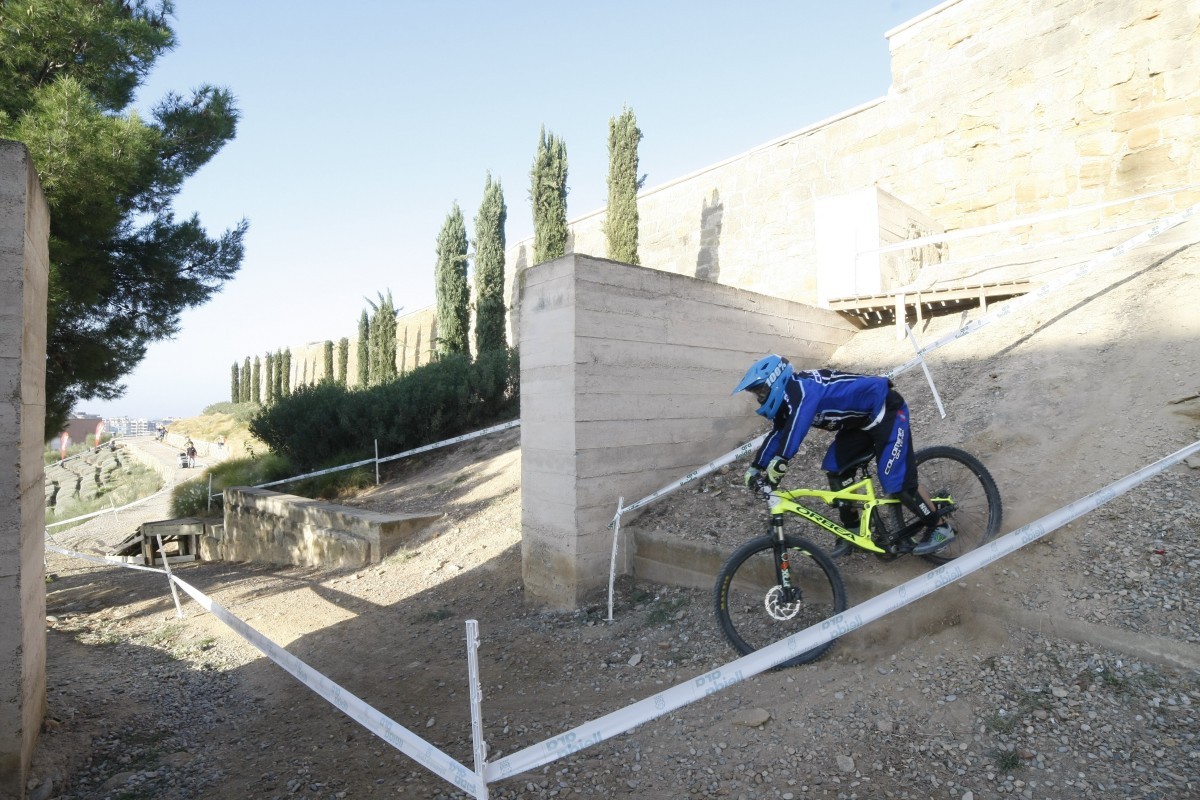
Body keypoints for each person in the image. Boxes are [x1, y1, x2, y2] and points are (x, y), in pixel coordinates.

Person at [732, 354, 954, 555]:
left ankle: (940, 525)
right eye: (756, 394)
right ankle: (853, 532)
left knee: (896, 481)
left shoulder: (803, 390)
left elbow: (795, 430)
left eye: (761, 391)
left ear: (776, 381)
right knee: (836, 469)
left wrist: (780, 462)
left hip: (886, 410)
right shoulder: (790, 400)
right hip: (860, 423)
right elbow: (779, 432)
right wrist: (757, 466)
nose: (759, 398)